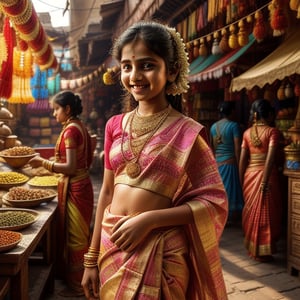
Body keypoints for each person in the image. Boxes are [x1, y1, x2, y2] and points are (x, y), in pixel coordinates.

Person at [81, 20, 228, 300]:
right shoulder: (115, 125)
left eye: (147, 65)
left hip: (161, 254)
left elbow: (212, 202)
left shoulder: (188, 133)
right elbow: (108, 192)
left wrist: (149, 220)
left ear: (171, 71)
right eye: (126, 66)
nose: (134, 75)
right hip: (113, 246)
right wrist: (91, 257)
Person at [29, 91, 95, 296]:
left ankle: (78, 288)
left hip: (76, 187)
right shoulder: (77, 126)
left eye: (56, 109)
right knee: (76, 235)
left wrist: (43, 163)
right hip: (80, 185)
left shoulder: (70, 131)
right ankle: (75, 280)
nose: (53, 114)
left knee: (76, 239)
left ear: (67, 109)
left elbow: (71, 167)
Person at [239, 99, 283, 262]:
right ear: (270, 114)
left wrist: (242, 179)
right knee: (268, 214)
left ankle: (254, 249)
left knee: (253, 212)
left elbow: (243, 160)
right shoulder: (273, 132)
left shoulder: (246, 133)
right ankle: (264, 250)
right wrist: (264, 181)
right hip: (267, 175)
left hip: (250, 176)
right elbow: (270, 159)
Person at [210, 101, 244, 225]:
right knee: (231, 190)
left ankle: (220, 215)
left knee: (221, 190)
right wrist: (240, 162)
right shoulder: (234, 126)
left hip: (218, 163)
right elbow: (237, 147)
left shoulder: (214, 127)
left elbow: (212, 147)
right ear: (232, 111)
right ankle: (230, 217)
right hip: (230, 163)